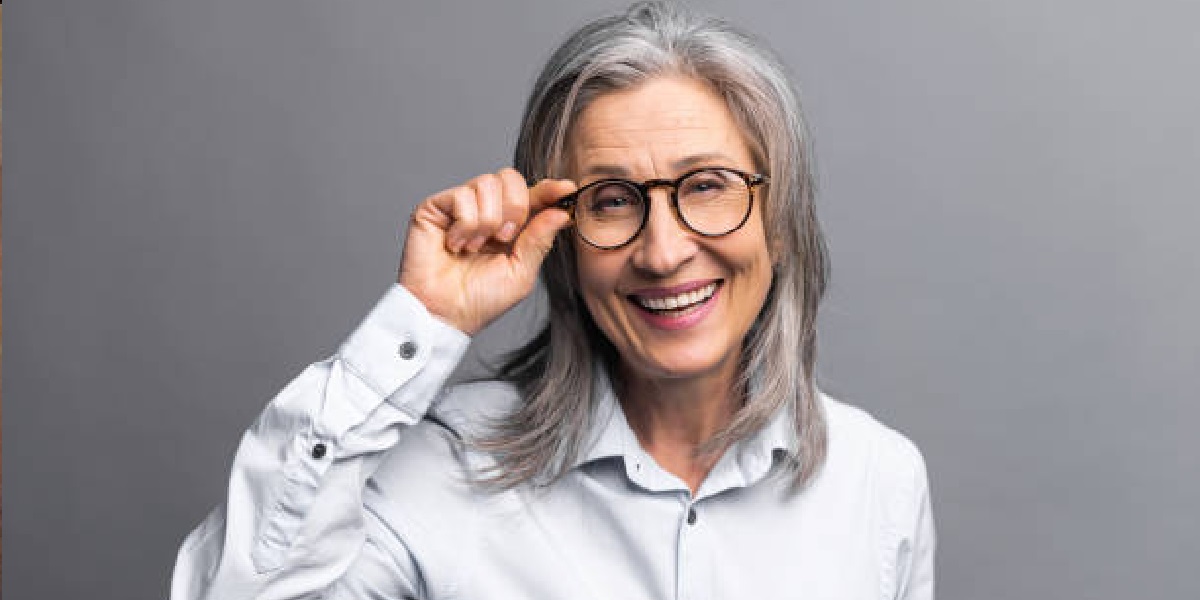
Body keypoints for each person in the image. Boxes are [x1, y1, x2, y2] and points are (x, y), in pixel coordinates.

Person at [170, 2, 935, 598]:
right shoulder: (440, 469)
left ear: (781, 220)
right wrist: (421, 320)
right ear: (560, 239)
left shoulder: (881, 480)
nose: (664, 251)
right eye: (611, 200)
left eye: (707, 187)